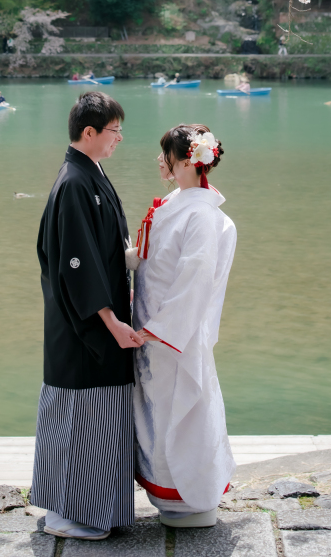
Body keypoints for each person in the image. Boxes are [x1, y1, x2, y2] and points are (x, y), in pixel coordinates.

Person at [32, 91, 142, 541]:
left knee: (92, 420)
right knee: (80, 419)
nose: (119, 139)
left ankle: (88, 509)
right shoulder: (74, 183)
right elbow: (76, 264)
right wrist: (112, 322)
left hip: (96, 321)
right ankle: (68, 514)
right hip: (84, 328)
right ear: (90, 132)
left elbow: (103, 251)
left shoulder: (90, 174)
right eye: (114, 131)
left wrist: (133, 258)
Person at [133, 123, 237, 528]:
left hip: (173, 335)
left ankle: (191, 497)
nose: (160, 161)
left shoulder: (201, 215)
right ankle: (168, 494)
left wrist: (160, 330)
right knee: (157, 416)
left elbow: (194, 280)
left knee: (182, 416)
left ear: (187, 162)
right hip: (152, 330)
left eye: (166, 155)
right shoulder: (180, 203)